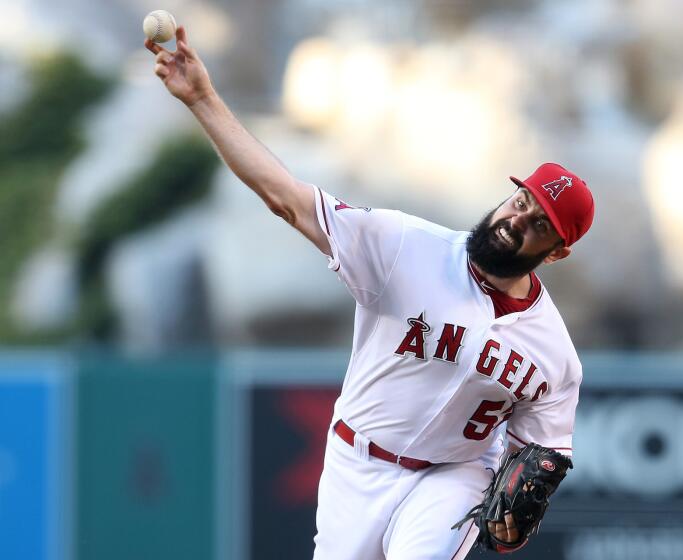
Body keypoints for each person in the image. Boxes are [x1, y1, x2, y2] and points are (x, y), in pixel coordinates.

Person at [146, 27, 594, 559]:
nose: (517, 220)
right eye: (520, 201)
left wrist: (517, 506)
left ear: (557, 251)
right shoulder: (404, 246)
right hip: (356, 463)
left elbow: (535, 458)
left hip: (453, 475)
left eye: (539, 224)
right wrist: (203, 99)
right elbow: (286, 199)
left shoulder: (555, 357)